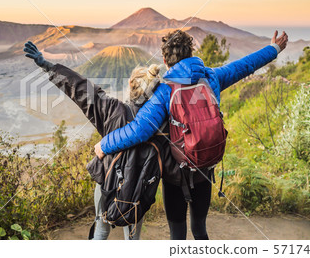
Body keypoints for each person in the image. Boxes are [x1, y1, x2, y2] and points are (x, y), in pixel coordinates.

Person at [94, 29, 289, 240]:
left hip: (175, 175)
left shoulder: (165, 90)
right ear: (190, 53)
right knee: (199, 229)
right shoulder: (211, 77)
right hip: (205, 168)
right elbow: (245, 66)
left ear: (165, 60)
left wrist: (104, 145)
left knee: (177, 233)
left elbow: (140, 130)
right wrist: (274, 48)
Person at [23, 41, 170, 240]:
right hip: (138, 192)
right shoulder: (160, 122)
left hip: (107, 184)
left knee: (101, 231)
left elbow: (80, 87)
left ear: (132, 87)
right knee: (132, 239)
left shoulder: (112, 110)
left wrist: (48, 65)